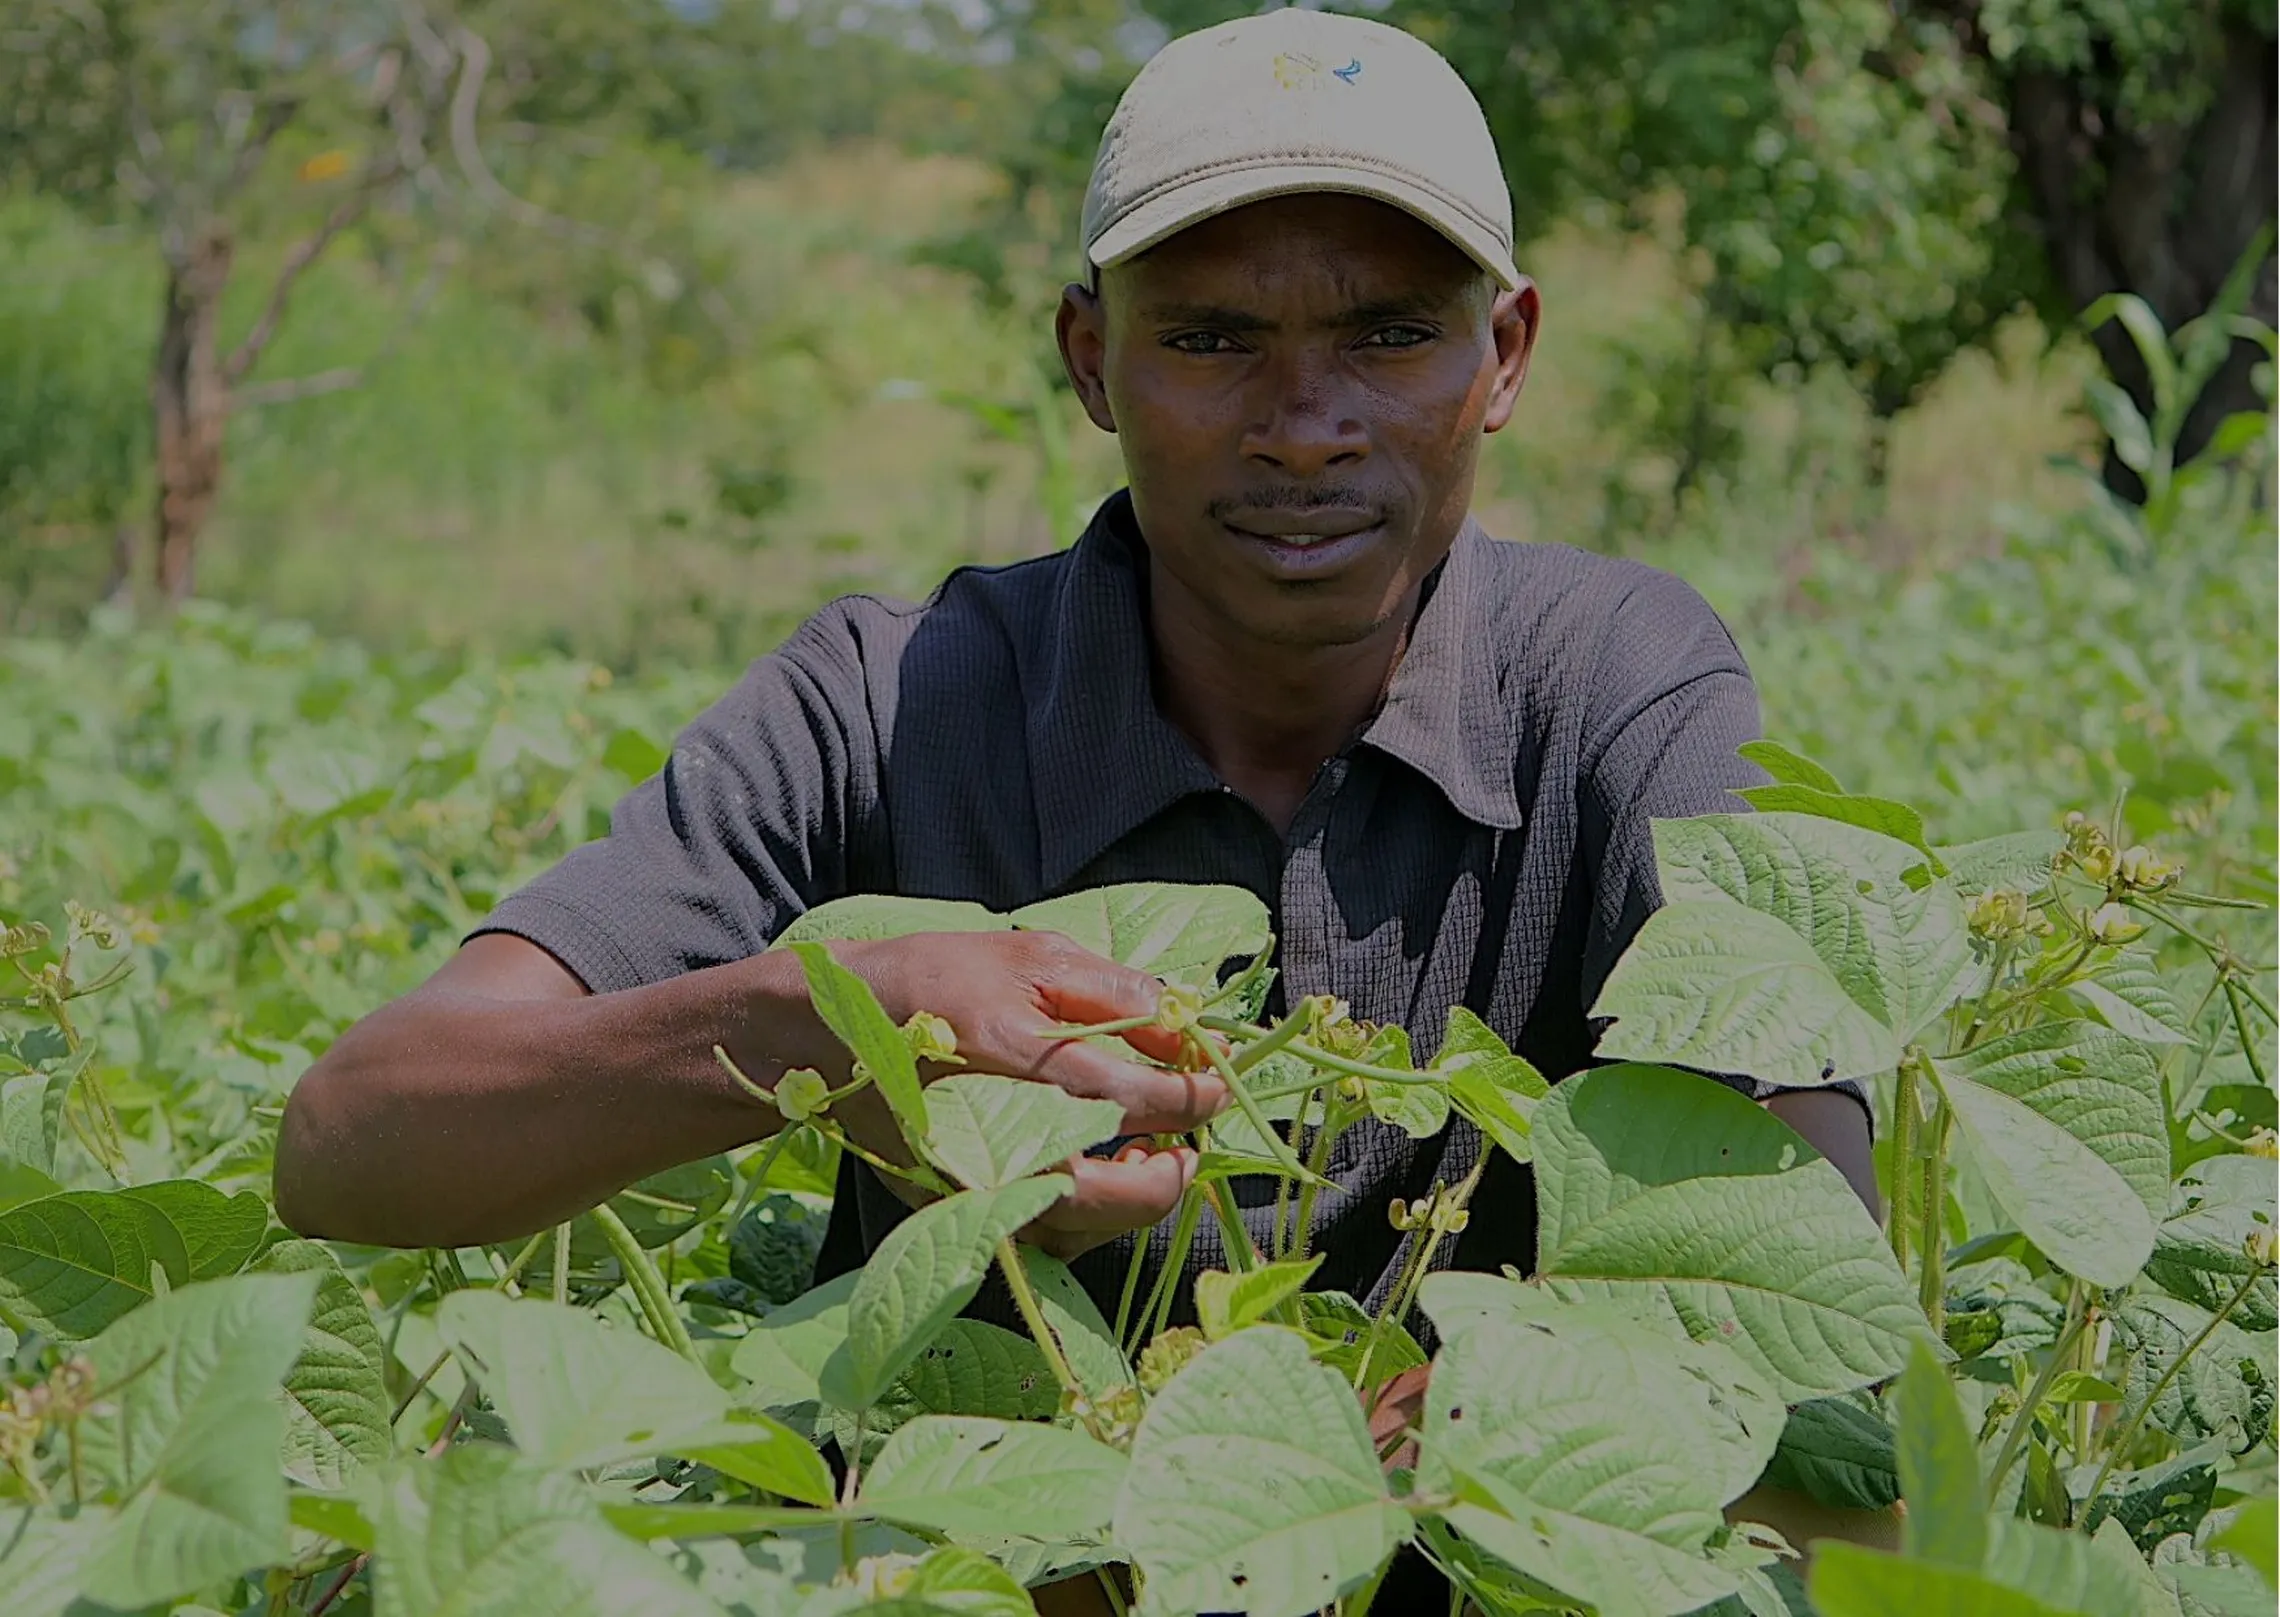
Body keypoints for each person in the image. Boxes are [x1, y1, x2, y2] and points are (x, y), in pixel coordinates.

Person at [276, 6, 1881, 1602]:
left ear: (1504, 355)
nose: (1307, 425)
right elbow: (357, 1140)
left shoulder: (1618, 686)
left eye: (1390, 335)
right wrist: (826, 1037)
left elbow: (1821, 1271)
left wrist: (1305, 1485)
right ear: (1090, 360)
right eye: (1208, 337)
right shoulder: (891, 702)